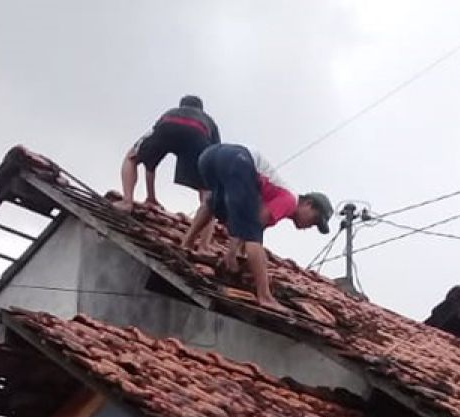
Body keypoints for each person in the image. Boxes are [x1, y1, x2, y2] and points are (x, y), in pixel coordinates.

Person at [180, 143, 332, 308]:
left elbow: (246, 221)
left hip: (209, 158)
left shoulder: (273, 196)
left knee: (213, 204)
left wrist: (238, 251)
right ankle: (265, 296)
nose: (310, 226)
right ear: (308, 204)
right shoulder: (290, 200)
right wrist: (231, 254)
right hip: (239, 161)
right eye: (314, 220)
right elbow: (254, 226)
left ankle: (186, 245)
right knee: (253, 233)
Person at [113, 95, 220, 212]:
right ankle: (206, 220)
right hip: (198, 133)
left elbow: (150, 162)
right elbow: (215, 155)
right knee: (205, 184)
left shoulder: (171, 113)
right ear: (201, 109)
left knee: (132, 158)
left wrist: (151, 196)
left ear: (181, 105)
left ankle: (127, 202)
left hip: (168, 126)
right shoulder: (209, 121)